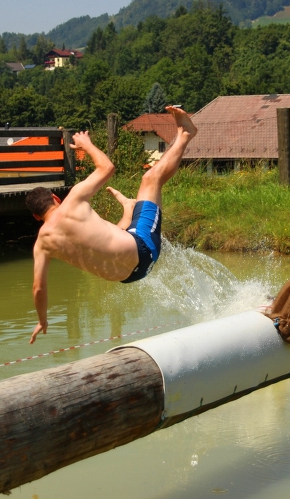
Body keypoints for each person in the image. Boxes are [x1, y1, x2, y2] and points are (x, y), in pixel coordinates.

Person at [25, 106, 197, 343]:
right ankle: (186, 133)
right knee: (150, 178)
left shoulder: (41, 245)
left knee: (113, 236)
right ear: (56, 198)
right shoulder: (72, 200)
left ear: (36, 217)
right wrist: (86, 145)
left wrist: (42, 320)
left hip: (129, 276)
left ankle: (128, 208)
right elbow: (107, 167)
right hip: (144, 248)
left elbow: (38, 288)